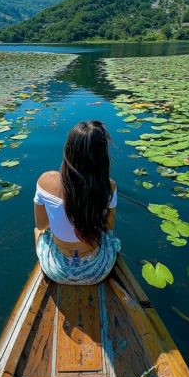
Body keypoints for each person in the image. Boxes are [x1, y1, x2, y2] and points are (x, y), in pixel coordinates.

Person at [33, 120, 120, 285]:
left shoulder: (45, 181)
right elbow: (109, 227)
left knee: (38, 231)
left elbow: (42, 225)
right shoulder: (109, 186)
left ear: (68, 150)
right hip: (97, 271)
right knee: (109, 238)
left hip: (56, 272)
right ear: (102, 157)